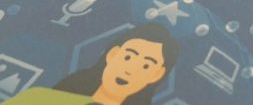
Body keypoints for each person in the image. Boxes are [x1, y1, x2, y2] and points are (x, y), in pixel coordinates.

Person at [5, 23, 179, 105]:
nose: (130, 71)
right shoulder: (40, 99)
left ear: (157, 74)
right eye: (128, 57)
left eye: (146, 66)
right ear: (113, 54)